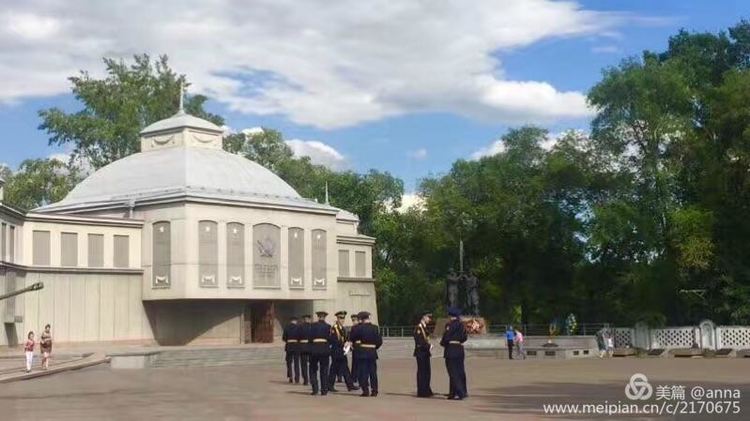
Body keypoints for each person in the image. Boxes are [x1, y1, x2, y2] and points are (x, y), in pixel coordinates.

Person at [348, 311, 382, 397]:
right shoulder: (375, 327)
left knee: (363, 372)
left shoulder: (358, 328)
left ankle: (365, 390)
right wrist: (374, 347)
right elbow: (379, 341)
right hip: (372, 352)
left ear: (361, 319)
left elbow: (352, 338)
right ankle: (374, 390)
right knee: (373, 372)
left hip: (362, 351)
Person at [440, 307, 468, 400]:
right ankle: (455, 392)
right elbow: (464, 337)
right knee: (460, 371)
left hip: (451, 350)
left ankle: (460, 393)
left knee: (453, 372)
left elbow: (446, 337)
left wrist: (443, 343)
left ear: (451, 316)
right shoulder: (461, 325)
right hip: (459, 349)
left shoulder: (450, 325)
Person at [328, 311, 359, 392]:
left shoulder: (343, 328)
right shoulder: (334, 328)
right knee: (334, 369)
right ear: (337, 318)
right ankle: (330, 386)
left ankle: (350, 385)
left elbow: (345, 339)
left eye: (343, 318)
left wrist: (348, 344)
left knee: (344, 369)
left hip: (342, 351)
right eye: (340, 318)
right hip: (336, 351)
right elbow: (333, 340)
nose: (342, 320)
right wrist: (344, 344)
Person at [308, 311, 333, 395]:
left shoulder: (312, 326)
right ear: (325, 317)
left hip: (314, 349)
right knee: (324, 370)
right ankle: (324, 390)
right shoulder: (328, 327)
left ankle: (315, 389)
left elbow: (310, 338)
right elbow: (331, 339)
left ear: (318, 317)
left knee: (313, 369)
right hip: (325, 349)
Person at [413, 311, 434, 398]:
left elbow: (427, 338)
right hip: (421, 352)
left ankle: (426, 389)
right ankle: (422, 391)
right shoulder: (418, 328)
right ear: (423, 317)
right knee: (422, 372)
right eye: (428, 317)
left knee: (427, 372)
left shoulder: (424, 328)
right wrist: (429, 346)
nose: (429, 319)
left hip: (425, 353)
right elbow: (420, 342)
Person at [282, 316, 301, 383]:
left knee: (289, 362)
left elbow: (284, 338)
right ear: (296, 321)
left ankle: (290, 376)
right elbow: (300, 337)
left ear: (290, 321)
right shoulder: (299, 328)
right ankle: (297, 378)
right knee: (296, 363)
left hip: (289, 346)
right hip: (296, 346)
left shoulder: (286, 327)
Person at [299, 314, 312, 385]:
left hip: (303, 347)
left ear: (304, 319)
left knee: (303, 364)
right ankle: (311, 377)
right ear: (309, 319)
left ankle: (306, 379)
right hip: (310, 347)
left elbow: (297, 336)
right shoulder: (312, 326)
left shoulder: (300, 327)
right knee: (311, 364)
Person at [348, 313, 360, 386]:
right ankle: (354, 377)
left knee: (357, 363)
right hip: (356, 346)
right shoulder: (354, 327)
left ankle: (355, 377)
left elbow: (351, 338)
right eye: (352, 320)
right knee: (355, 363)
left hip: (358, 346)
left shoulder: (356, 327)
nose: (353, 321)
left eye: (354, 320)